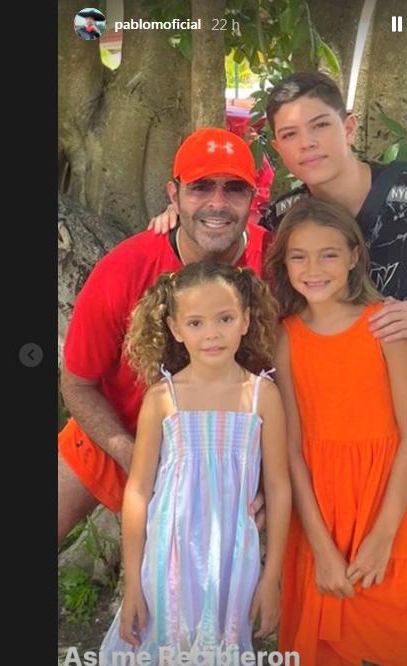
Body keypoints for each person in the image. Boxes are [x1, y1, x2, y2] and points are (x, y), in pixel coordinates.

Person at [148, 72, 407, 666]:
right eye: (289, 134)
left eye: (320, 125)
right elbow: (225, 248)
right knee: (403, 594)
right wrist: (171, 219)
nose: (307, 143)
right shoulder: (283, 223)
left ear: (349, 125)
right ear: (277, 148)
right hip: (356, 444)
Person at [97, 262, 291, 666]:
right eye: (196, 322)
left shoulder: (262, 396)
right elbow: (138, 491)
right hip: (167, 567)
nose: (212, 333)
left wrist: (272, 577)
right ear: (174, 329)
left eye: (225, 318)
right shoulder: (163, 398)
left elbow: (279, 487)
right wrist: (133, 583)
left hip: (231, 567)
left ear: (246, 319)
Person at [59, 128, 267, 544]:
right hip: (120, 427)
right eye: (201, 187)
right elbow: (77, 383)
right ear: (173, 195)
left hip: (226, 452)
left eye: (234, 188)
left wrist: (267, 476)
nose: (217, 203)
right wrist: (128, 453)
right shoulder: (125, 268)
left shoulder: (277, 261)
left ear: (253, 197)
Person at [269, 198, 407, 666]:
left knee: (399, 652)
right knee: (337, 657)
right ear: (284, 264)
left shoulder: (385, 325)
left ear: (355, 256)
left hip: (386, 507)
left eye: (329, 254)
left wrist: (382, 537)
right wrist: (321, 548)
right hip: (321, 512)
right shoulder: (284, 336)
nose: (313, 269)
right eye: (299, 257)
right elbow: (292, 450)